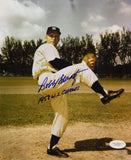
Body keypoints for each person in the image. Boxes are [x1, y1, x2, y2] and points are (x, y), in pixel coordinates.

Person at [32, 26, 124, 158]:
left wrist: (74, 67)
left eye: (56, 36)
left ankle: (51, 147)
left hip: (51, 86)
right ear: (46, 37)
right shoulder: (47, 47)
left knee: (63, 116)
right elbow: (56, 63)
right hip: (47, 79)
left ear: (59, 38)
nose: (53, 38)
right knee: (82, 68)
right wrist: (76, 66)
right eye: (51, 35)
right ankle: (103, 94)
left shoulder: (52, 49)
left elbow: (58, 66)